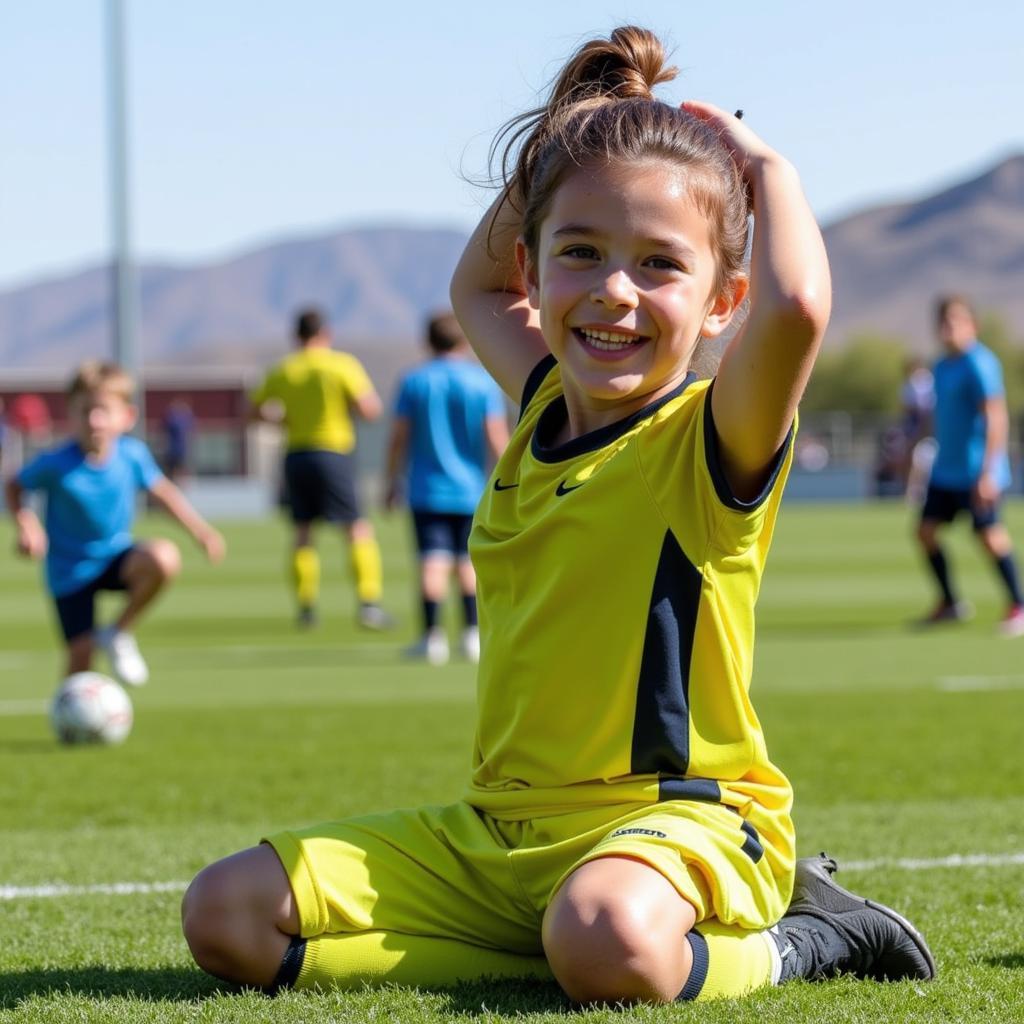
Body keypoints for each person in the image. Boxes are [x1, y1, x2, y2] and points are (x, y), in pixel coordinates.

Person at [181, 27, 934, 1004]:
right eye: (579, 252)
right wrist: (563, 148)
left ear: (720, 302)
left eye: (661, 264)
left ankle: (809, 934)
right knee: (224, 915)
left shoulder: (707, 441)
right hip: (500, 832)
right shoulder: (537, 401)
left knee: (607, 931)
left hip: (677, 826)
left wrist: (763, 166)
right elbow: (471, 283)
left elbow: (794, 304)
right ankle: (554, 948)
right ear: (532, 276)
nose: (614, 290)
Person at [5, 362, 224, 685]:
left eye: (103, 410)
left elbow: (162, 492)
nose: (94, 421)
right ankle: (70, 717)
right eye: (85, 411)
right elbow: (14, 486)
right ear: (71, 413)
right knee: (81, 662)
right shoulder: (55, 463)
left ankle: (119, 631)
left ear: (127, 416)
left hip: (115, 558)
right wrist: (28, 525)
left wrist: (200, 531)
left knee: (163, 557)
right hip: (70, 571)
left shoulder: (132, 455)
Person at [250, 307, 393, 630]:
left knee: (303, 532)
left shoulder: (283, 369)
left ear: (295, 336)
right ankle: (368, 603)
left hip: (296, 454)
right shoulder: (341, 364)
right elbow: (370, 410)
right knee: (356, 528)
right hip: (333, 452)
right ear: (325, 333)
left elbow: (253, 411)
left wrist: (283, 419)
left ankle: (306, 606)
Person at [384, 312, 509, 665]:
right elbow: (497, 438)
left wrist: (390, 480)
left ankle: (431, 638)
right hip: (472, 490)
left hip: (425, 489)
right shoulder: (481, 382)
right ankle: (471, 635)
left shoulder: (414, 382)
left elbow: (398, 438)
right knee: (466, 563)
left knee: (431, 562)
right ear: (464, 340)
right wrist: (512, 481)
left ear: (428, 341)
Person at [915, 295, 1024, 634]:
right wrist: (914, 443)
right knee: (926, 532)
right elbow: (938, 415)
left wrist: (989, 471)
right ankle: (950, 604)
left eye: (956, 321)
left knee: (990, 536)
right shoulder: (941, 365)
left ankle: (1018, 605)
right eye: (944, 322)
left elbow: (995, 416)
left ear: (972, 325)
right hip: (946, 470)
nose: (949, 328)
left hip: (977, 471)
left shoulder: (980, 363)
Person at [161, 398, 195, 483]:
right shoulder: (176, 419)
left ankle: (178, 482)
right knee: (171, 469)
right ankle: (173, 482)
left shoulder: (178, 419)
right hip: (173, 450)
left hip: (178, 450)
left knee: (177, 467)